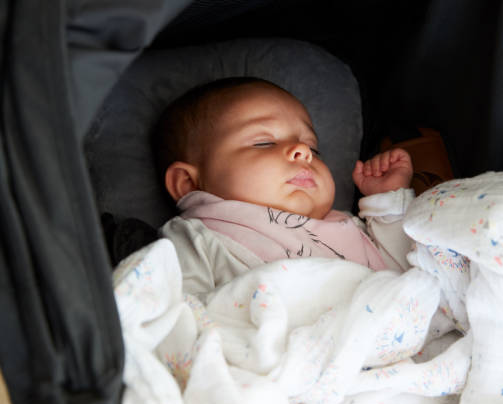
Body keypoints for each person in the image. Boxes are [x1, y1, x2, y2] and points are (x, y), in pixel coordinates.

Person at [154, 77, 416, 297]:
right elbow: (179, 318)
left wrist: (387, 202)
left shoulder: (345, 226)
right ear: (187, 183)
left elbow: (406, 276)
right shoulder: (198, 237)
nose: (303, 151)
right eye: (264, 143)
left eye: (313, 147)